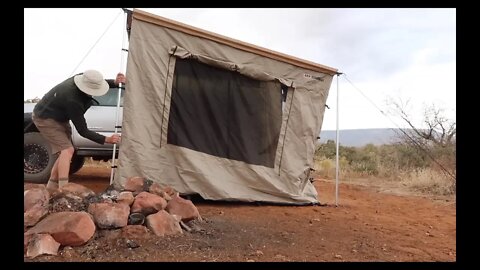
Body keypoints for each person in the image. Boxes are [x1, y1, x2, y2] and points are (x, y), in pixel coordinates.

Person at [32, 70, 126, 190]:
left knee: (65, 151)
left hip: (60, 118)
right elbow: (83, 130)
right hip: (44, 118)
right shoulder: (72, 99)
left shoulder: (83, 77)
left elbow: (98, 82)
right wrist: (107, 139)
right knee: (68, 150)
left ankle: (51, 186)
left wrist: (114, 82)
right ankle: (64, 189)